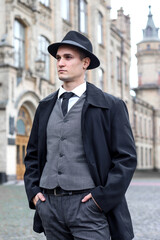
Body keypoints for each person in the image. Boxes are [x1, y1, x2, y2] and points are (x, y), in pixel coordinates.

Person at [24, 30, 137, 240]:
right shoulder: (45, 106)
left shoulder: (110, 106)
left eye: (68, 57)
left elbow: (126, 159)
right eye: (58, 58)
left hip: (88, 207)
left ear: (85, 63)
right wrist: (34, 195)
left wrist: (100, 200)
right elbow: (32, 155)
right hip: (49, 207)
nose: (60, 63)